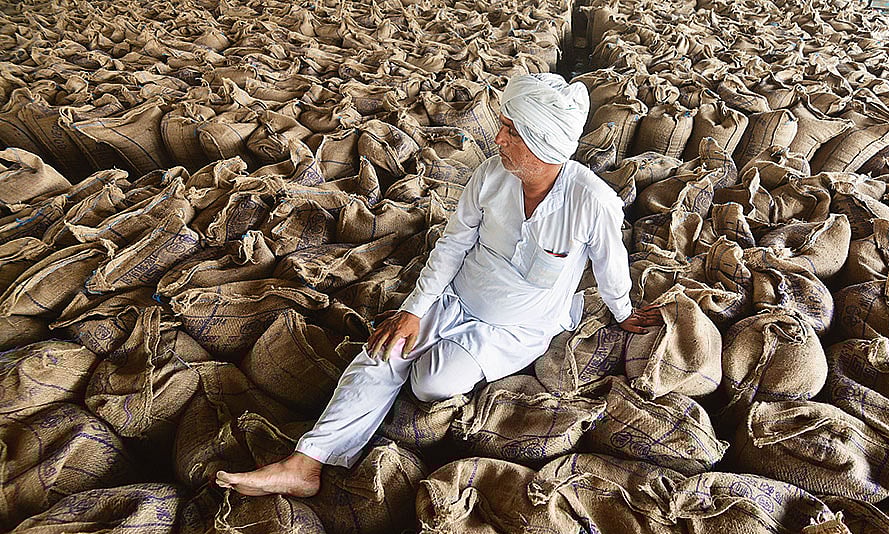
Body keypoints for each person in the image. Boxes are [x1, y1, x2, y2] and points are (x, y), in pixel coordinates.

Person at [216, 73, 660, 497]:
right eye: (502, 127)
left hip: (515, 330)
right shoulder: (490, 175)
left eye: (511, 131)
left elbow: (609, 266)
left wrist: (622, 311)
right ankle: (305, 463)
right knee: (383, 350)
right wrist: (415, 309)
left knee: (430, 383)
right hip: (455, 298)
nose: (499, 139)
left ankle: (387, 396)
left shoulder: (593, 201)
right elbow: (452, 245)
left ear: (543, 143)